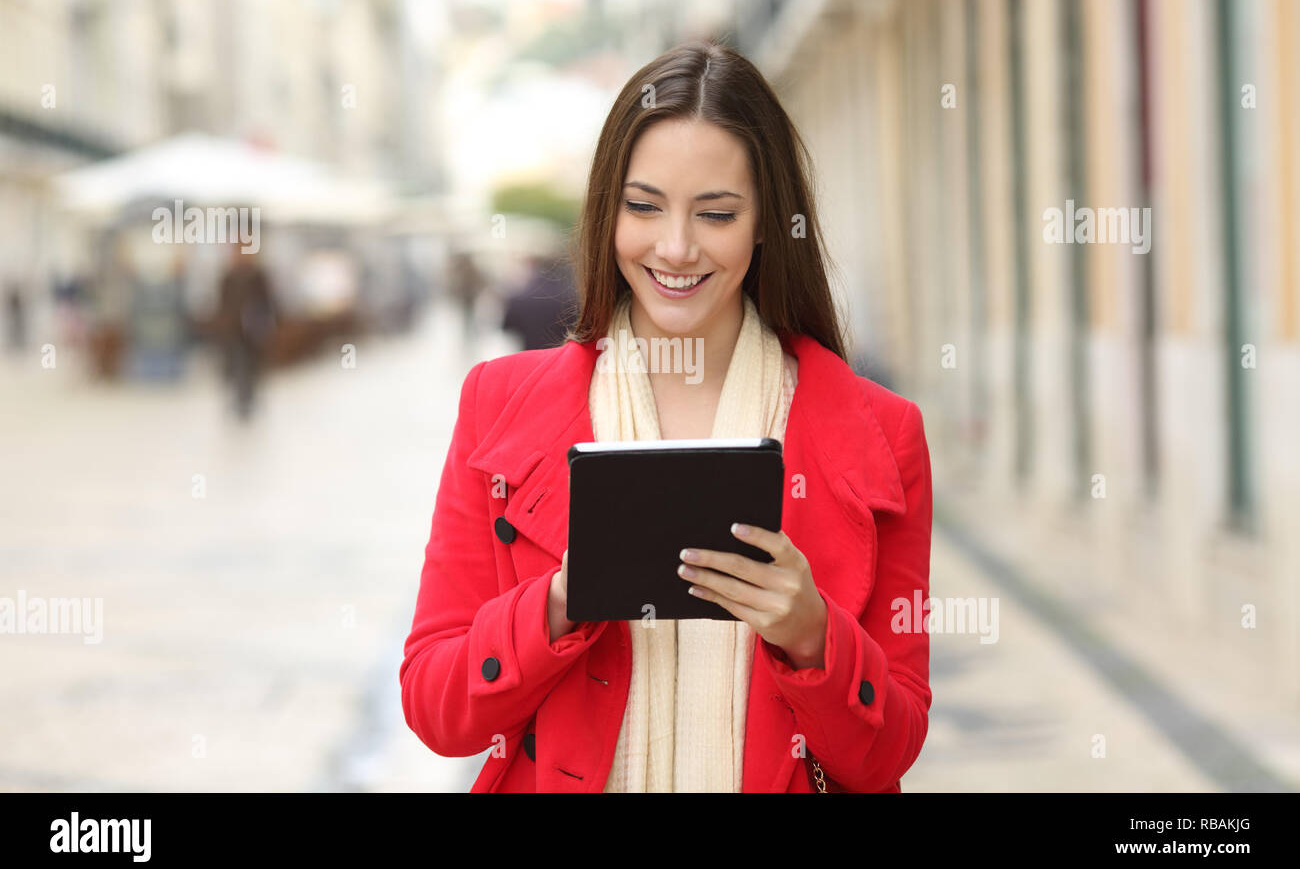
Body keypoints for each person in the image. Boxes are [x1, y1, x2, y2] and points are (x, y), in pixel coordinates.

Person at [400, 40, 933, 792]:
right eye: (643, 206)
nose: (675, 248)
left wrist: (812, 636)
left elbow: (891, 751)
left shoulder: (884, 433)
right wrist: (557, 603)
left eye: (715, 213)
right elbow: (434, 708)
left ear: (764, 223)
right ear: (605, 210)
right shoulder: (497, 405)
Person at [216, 246, 278, 420]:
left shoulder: (258, 276)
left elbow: (268, 302)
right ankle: (239, 399)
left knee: (251, 366)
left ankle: (249, 399)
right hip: (233, 331)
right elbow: (222, 304)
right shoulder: (228, 276)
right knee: (236, 365)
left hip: (253, 332)